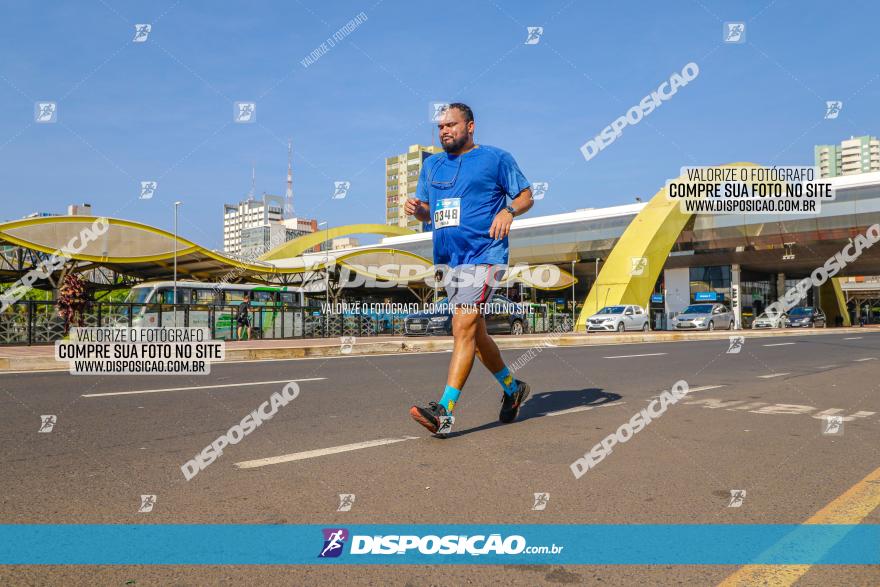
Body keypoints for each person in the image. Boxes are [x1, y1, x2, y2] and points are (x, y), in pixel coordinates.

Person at [405, 103, 535, 434]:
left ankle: (444, 411)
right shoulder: (431, 166)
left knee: (462, 324)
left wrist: (508, 211)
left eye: (451, 124)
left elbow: (525, 196)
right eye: (440, 127)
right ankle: (512, 388)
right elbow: (428, 214)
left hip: (485, 254)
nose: (444, 130)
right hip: (449, 260)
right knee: (475, 335)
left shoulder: (496, 159)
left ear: (471, 126)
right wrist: (417, 209)